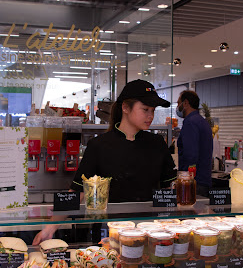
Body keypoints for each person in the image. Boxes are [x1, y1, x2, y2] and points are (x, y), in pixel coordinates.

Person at [32, 79, 177, 244]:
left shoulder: (157, 143)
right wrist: (50, 228)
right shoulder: (99, 145)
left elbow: (169, 189)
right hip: (108, 234)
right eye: (145, 109)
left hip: (149, 232)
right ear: (125, 108)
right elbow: (78, 191)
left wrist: (171, 225)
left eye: (153, 110)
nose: (150, 116)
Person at [175, 90, 213, 197]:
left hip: (194, 182)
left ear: (185, 103)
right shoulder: (202, 121)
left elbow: (190, 155)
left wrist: (184, 179)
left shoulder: (190, 122)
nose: (178, 107)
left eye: (178, 103)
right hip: (204, 179)